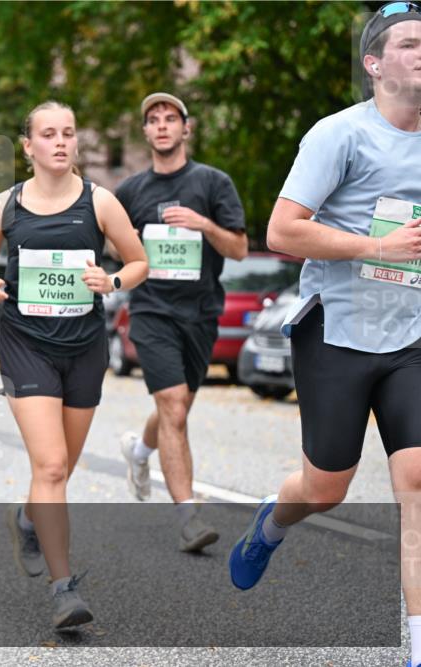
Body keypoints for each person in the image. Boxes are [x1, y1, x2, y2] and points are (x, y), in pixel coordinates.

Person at [228, 7, 420, 667]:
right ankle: (270, 524)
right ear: (375, 64)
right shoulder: (338, 135)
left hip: (413, 336)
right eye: (410, 44)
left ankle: (417, 645)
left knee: (416, 478)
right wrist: (379, 245)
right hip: (338, 330)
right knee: (325, 485)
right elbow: (282, 231)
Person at [0, 101, 148, 629]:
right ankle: (63, 589)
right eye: (49, 134)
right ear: (29, 147)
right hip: (26, 341)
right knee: (49, 467)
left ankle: (27, 519)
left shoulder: (102, 202)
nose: (61, 142)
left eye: (68, 133)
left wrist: (112, 282)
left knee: (61, 468)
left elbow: (138, 262)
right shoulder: (5, 206)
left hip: (84, 345)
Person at [114, 92, 248, 552]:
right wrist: (124, 245)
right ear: (146, 133)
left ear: (185, 129)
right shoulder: (130, 192)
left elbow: (239, 249)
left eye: (171, 118)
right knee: (172, 404)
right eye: (153, 119)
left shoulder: (213, 183)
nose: (163, 125)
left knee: (179, 406)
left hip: (201, 312)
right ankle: (189, 517)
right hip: (151, 310)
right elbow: (110, 246)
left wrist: (204, 225)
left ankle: (138, 451)